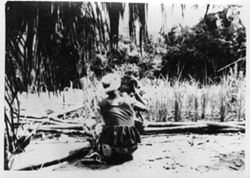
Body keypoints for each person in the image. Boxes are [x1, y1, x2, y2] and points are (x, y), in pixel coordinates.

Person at [83, 73, 143, 164]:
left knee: (96, 125)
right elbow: (145, 108)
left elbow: (102, 115)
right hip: (130, 149)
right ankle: (125, 150)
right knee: (135, 120)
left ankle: (100, 150)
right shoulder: (128, 99)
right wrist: (135, 92)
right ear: (118, 87)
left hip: (111, 153)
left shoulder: (102, 102)